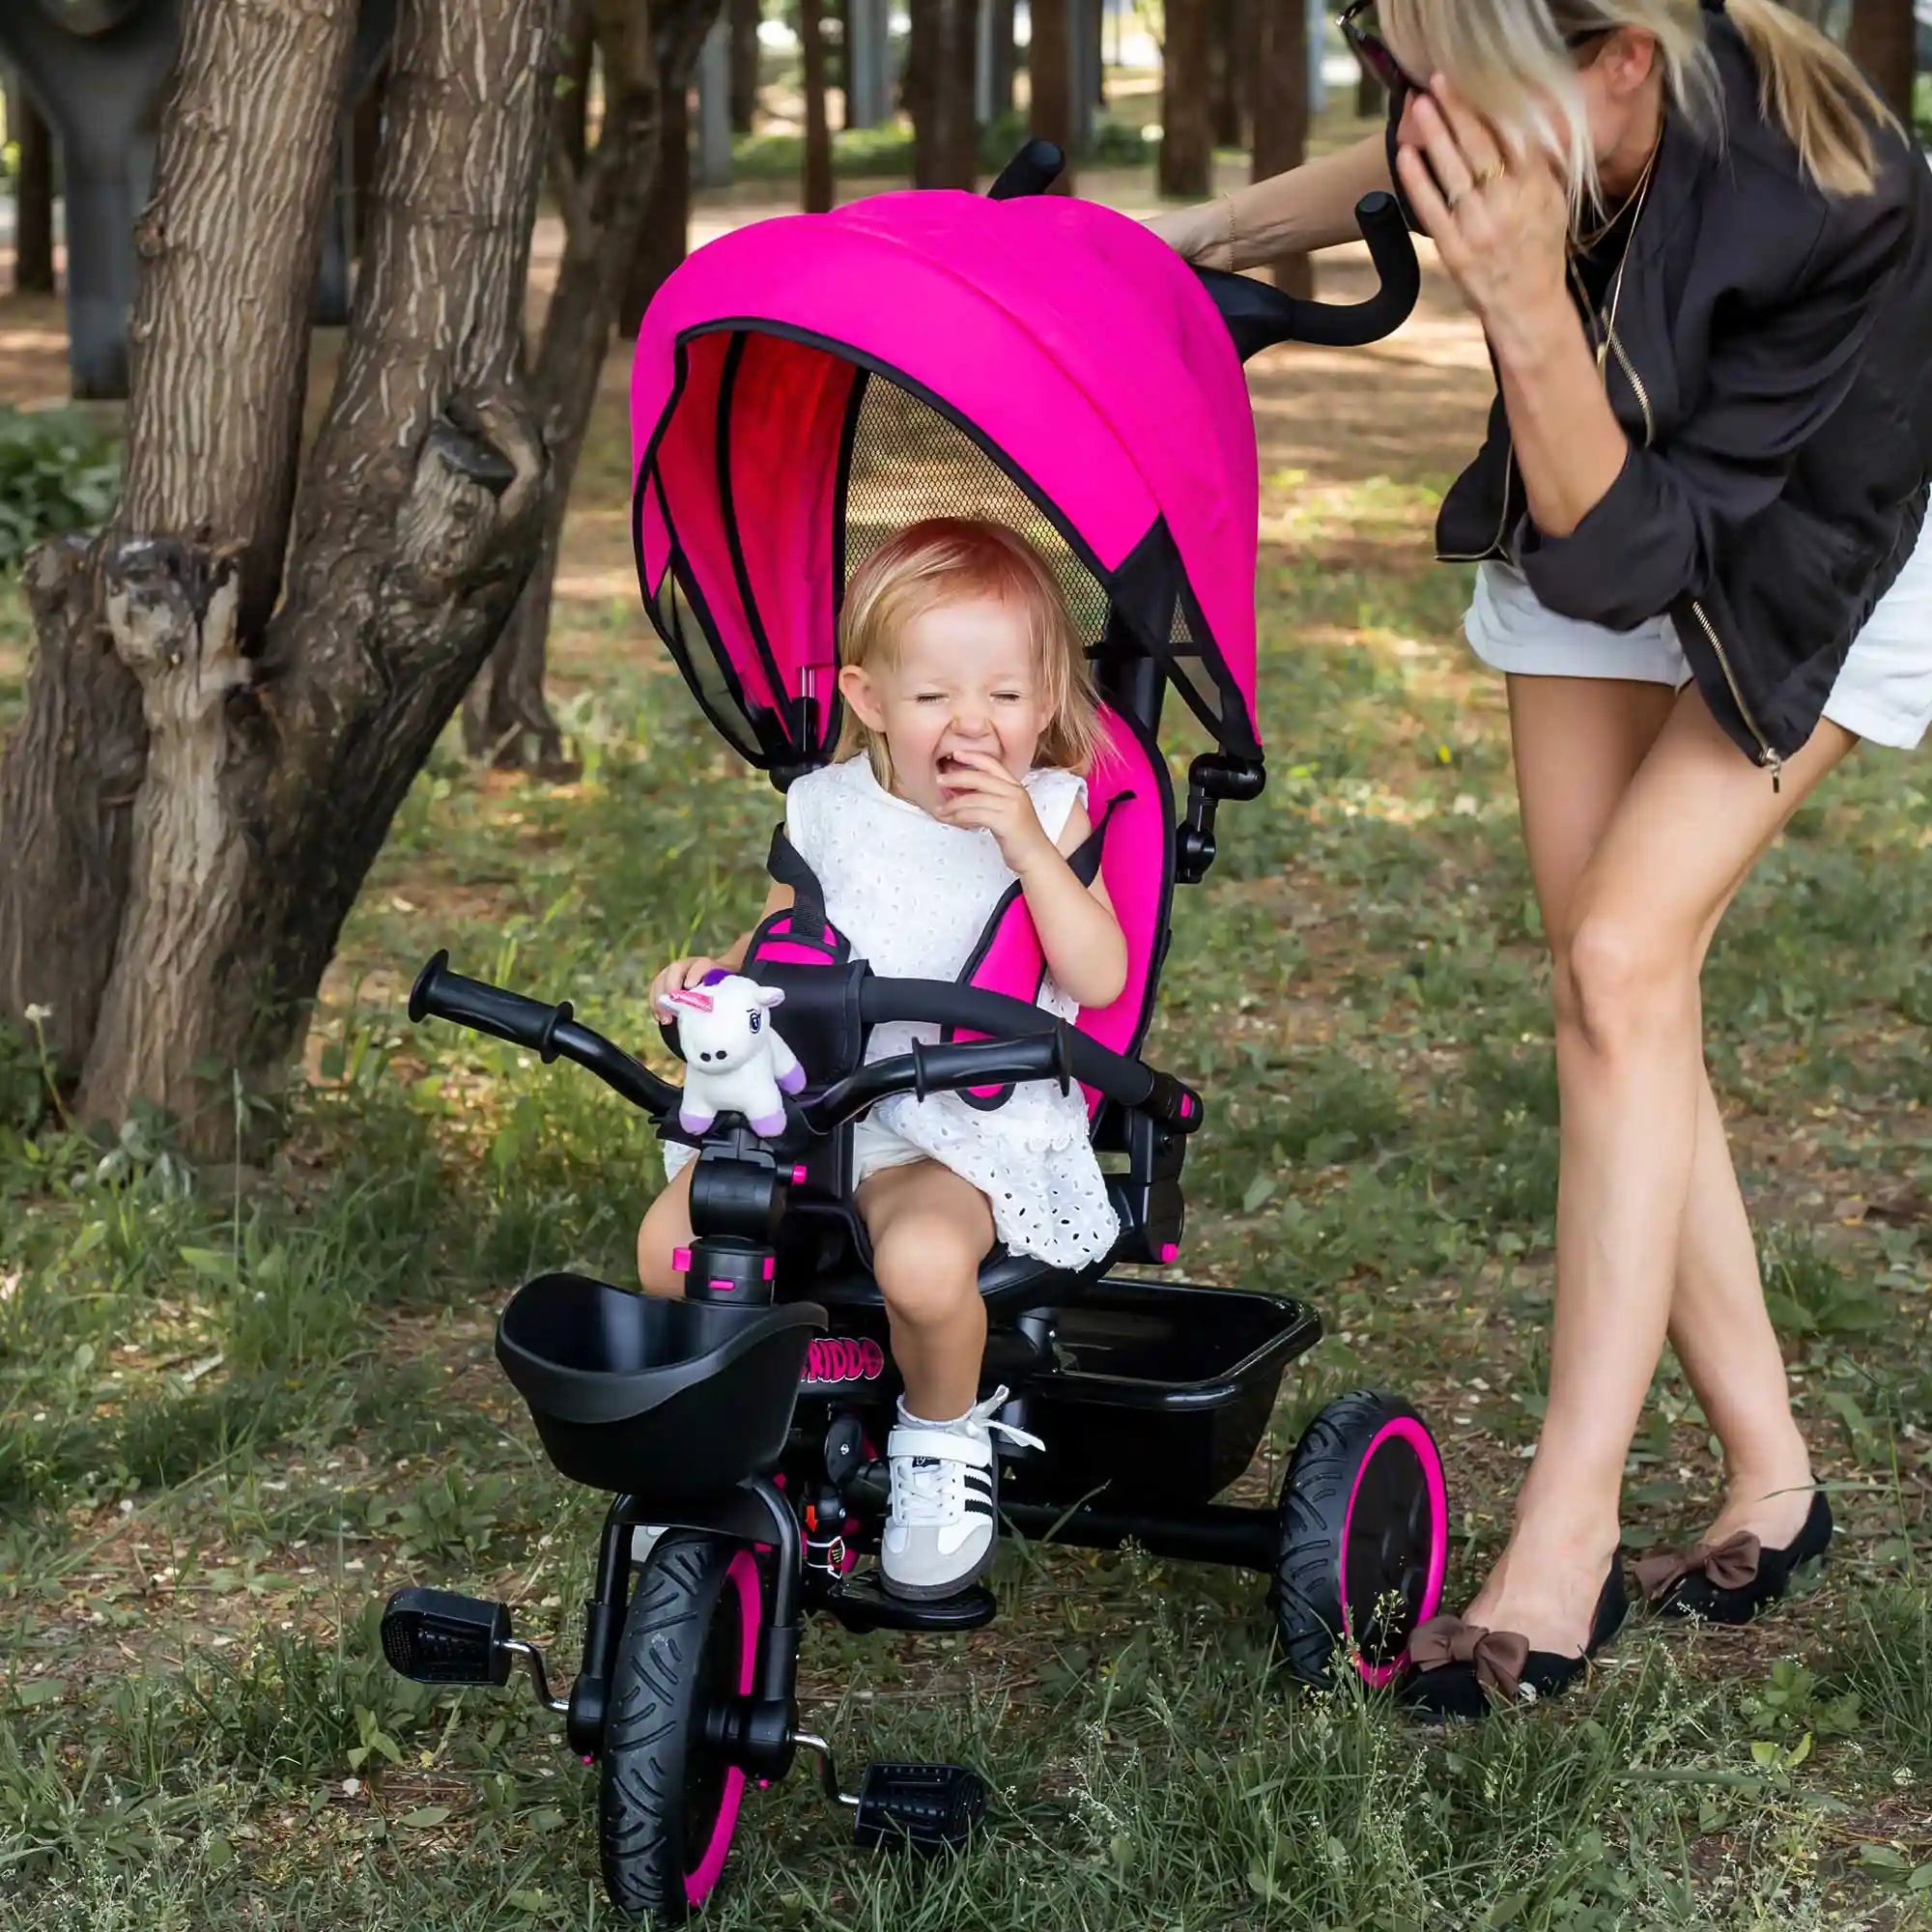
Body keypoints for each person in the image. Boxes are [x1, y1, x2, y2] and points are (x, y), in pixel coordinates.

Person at [1151, 0, 1932, 1717]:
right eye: (1404, 66)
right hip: (1592, 492)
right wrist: (1191, 237)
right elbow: (1398, 163)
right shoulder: (1532, 103)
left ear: (1622, 63)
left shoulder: (1841, 189)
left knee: (1620, 962)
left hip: (1814, 535)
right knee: (1618, 989)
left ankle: (1563, 1532)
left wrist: (1512, 289)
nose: (1429, 117)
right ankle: (1774, 1483)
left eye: (1464, 90)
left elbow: (1656, 547)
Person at [636, 517, 1128, 1603]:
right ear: (867, 699)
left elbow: (1094, 976)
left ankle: (940, 1434)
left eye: (1003, 696)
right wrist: (705, 979)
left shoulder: (1050, 809)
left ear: (1042, 701)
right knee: (671, 1242)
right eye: (934, 698)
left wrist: (1028, 848)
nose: (972, 724)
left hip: (951, 1124)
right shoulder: (826, 809)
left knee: (917, 1266)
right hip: (811, 1111)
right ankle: (712, 1436)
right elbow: (777, 939)